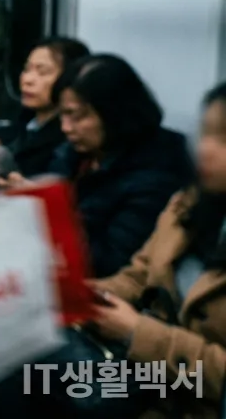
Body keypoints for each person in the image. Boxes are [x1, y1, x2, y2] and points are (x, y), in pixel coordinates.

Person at [86, 81, 226, 419]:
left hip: (197, 399)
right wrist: (89, 296)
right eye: (205, 133)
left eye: (223, 139)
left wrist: (138, 332)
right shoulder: (188, 206)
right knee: (34, 379)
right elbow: (139, 275)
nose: (206, 148)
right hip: (154, 385)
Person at [41, 54, 194, 277]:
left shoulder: (156, 172)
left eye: (77, 116)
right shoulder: (75, 153)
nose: (66, 128)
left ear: (114, 112)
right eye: (62, 116)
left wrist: (49, 214)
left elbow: (111, 263)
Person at [9, 36, 90, 176]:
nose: (27, 80)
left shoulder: (70, 139)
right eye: (27, 69)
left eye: (42, 72)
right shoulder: (20, 125)